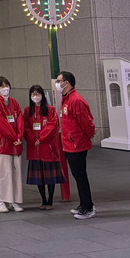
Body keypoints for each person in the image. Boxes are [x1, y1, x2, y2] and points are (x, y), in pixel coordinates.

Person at [56, 71, 96, 219]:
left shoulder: (75, 100)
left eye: (60, 81)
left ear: (67, 82)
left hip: (77, 144)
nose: (58, 84)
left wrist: (90, 134)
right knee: (77, 175)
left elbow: (85, 122)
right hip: (69, 144)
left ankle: (88, 206)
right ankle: (83, 203)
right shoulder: (65, 99)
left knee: (80, 175)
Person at [22, 84, 63, 209]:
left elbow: (53, 125)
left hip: (47, 147)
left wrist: (41, 138)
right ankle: (43, 200)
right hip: (34, 148)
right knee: (39, 177)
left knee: (50, 177)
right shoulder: (28, 111)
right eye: (33, 94)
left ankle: (50, 201)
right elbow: (26, 127)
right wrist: (33, 139)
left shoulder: (50, 110)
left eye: (38, 94)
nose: (35, 96)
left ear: (42, 95)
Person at [0, 76, 24, 212]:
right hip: (4, 143)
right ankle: (1, 201)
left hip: (16, 143)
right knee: (5, 172)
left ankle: (14, 201)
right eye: (2, 86)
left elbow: (20, 119)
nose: (5, 89)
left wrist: (19, 136)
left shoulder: (14, 102)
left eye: (7, 85)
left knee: (16, 172)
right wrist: (14, 136)